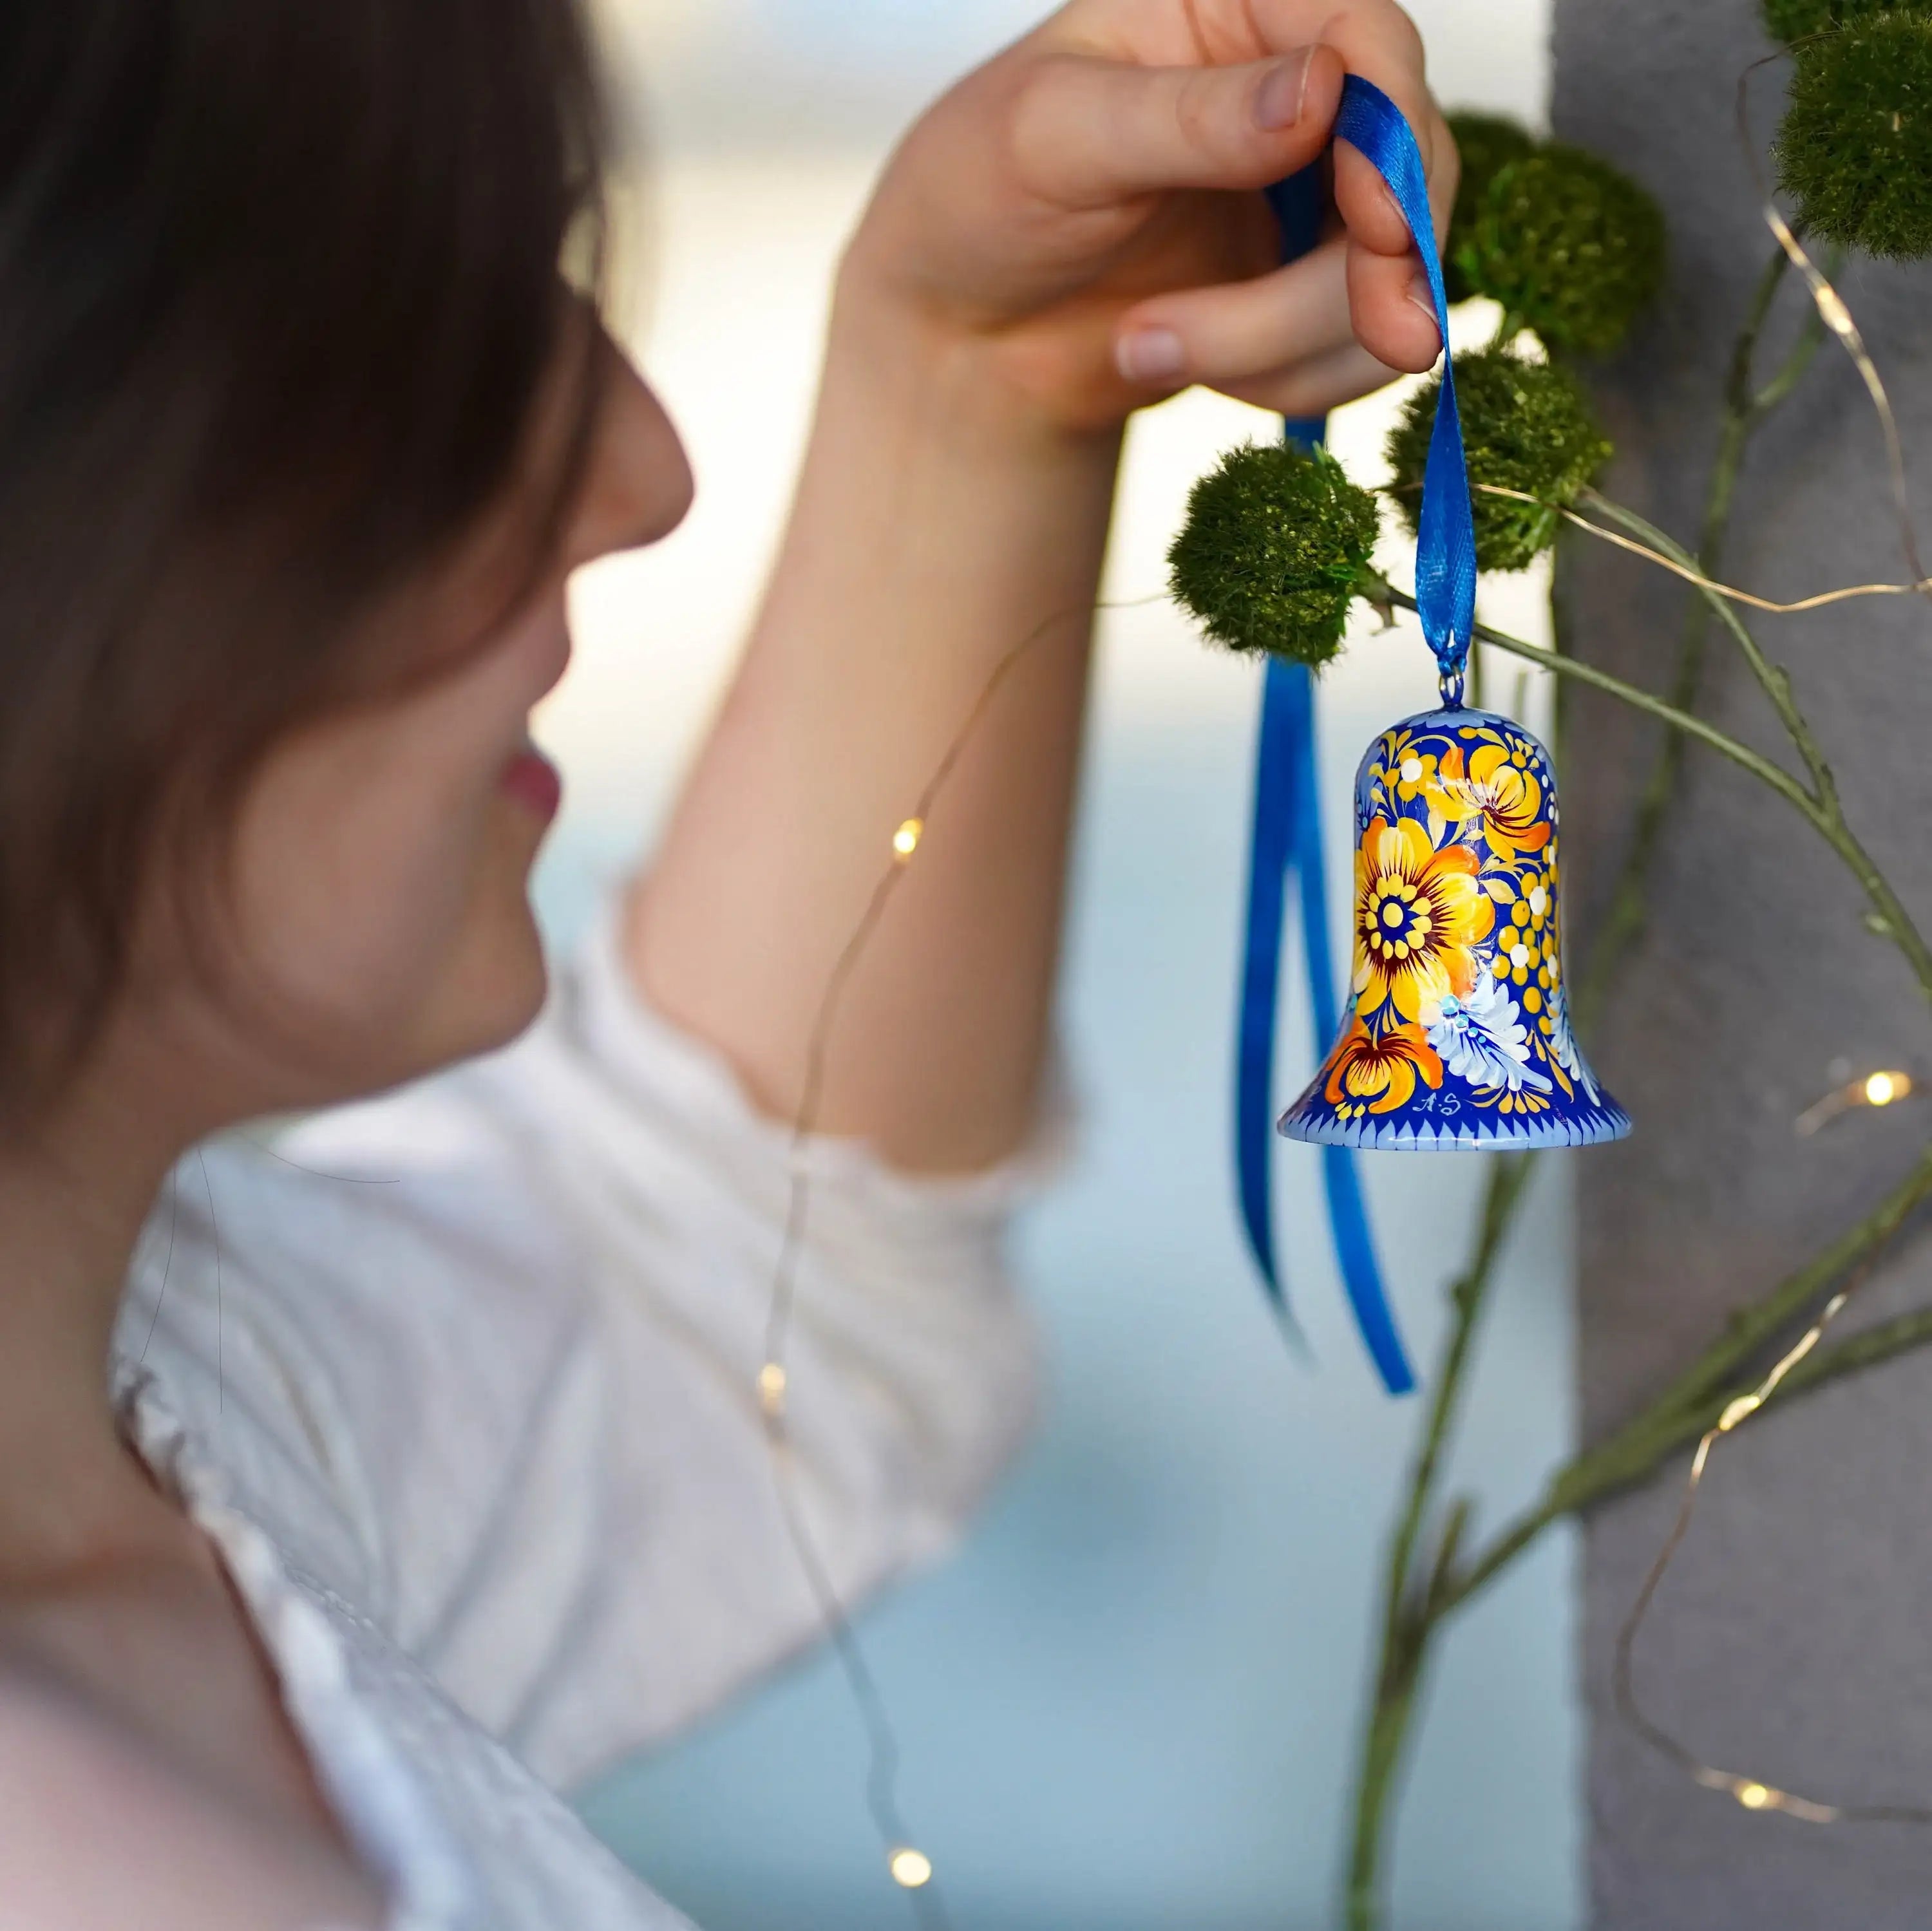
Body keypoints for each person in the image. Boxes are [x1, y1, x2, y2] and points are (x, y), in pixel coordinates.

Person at [0, 2, 1452, 1926]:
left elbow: (724, 1300)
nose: (639, 468)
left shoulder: (182, 1413)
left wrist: (973, 381)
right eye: (415, 337)